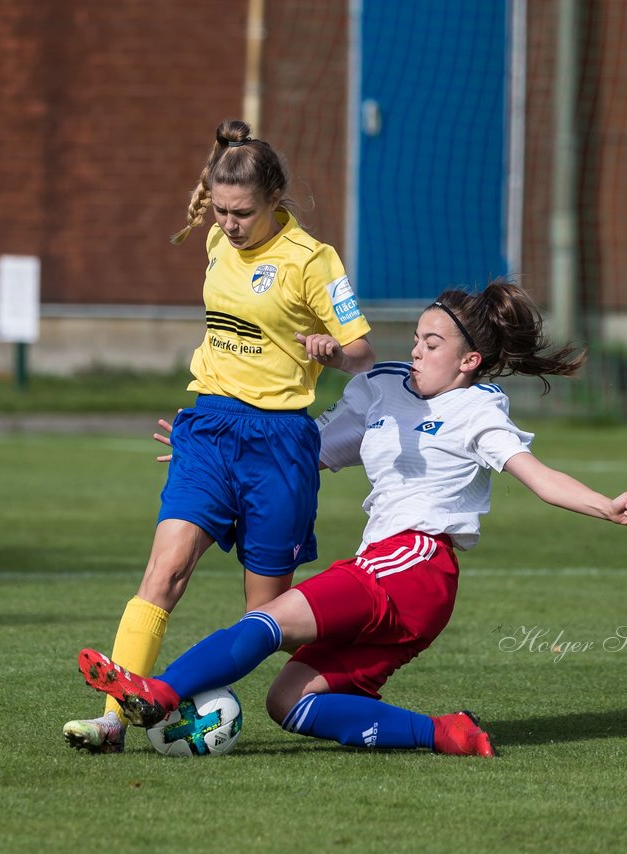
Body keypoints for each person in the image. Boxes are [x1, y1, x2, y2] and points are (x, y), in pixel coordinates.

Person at [75, 280, 627, 756]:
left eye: (432, 344)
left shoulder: (477, 411)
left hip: (417, 564)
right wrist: (215, 452)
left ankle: (158, 690)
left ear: (469, 361)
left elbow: (540, 478)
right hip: (390, 571)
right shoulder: (381, 388)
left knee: (268, 621)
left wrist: (606, 505)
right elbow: (307, 452)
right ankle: (448, 732)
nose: (415, 351)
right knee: (290, 703)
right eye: (415, 337)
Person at [63, 119, 375, 753]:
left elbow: (363, 351)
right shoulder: (214, 241)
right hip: (207, 428)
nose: (230, 225)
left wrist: (330, 350)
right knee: (166, 568)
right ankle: (112, 720)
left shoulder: (312, 261)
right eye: (222, 210)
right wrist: (206, 424)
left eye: (244, 214)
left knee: (269, 615)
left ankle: (347, 670)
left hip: (281, 445)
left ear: (276, 200)